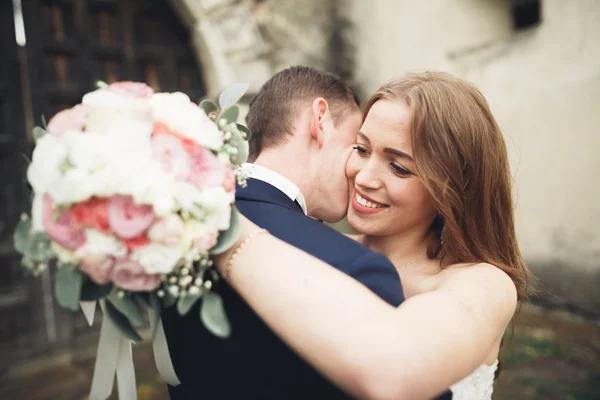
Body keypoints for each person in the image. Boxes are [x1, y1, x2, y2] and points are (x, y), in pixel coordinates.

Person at [213, 71, 531, 400]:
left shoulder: (483, 284)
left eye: (399, 167)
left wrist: (218, 223)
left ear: (452, 189)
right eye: (361, 149)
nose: (363, 176)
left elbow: (400, 370)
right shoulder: (313, 247)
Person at [162, 67, 454, 399]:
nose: (359, 174)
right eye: (358, 147)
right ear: (320, 121)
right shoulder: (355, 269)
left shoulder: (172, 223)